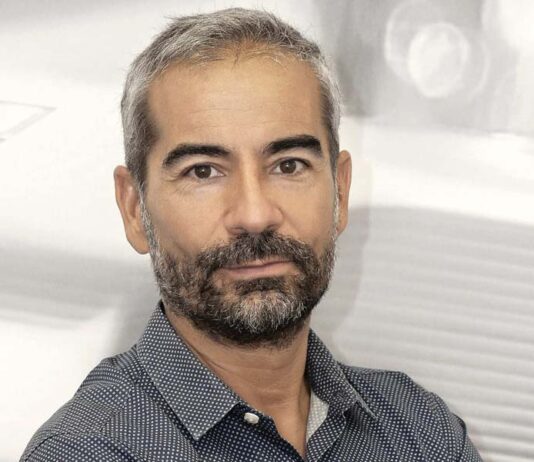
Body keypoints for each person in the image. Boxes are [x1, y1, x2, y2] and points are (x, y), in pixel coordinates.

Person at [21, 8, 483, 462]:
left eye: (288, 165)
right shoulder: (84, 452)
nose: (256, 215)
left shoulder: (421, 433)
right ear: (134, 209)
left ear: (340, 191)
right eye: (203, 171)